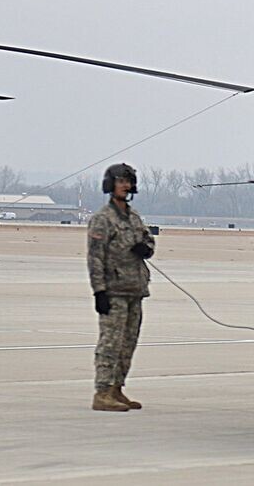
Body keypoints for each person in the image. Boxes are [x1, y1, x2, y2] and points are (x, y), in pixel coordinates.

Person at [87, 162, 155, 412]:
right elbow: (95, 257)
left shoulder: (134, 216)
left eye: (128, 181)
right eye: (120, 181)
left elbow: (148, 240)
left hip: (134, 289)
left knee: (128, 343)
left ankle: (117, 388)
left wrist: (146, 249)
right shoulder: (102, 219)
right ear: (110, 184)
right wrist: (99, 291)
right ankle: (102, 391)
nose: (125, 185)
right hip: (113, 290)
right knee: (110, 343)